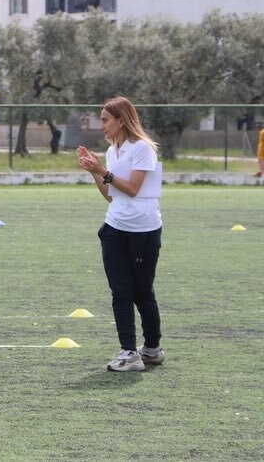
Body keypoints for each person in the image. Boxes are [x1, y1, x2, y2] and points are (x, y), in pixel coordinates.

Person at [77, 96, 165, 372]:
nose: (101, 125)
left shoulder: (143, 149)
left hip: (144, 231)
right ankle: (129, 351)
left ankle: (152, 349)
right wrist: (95, 172)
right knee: (121, 291)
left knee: (142, 292)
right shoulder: (112, 151)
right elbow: (112, 197)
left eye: (105, 120)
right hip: (115, 229)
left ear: (121, 120)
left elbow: (134, 189)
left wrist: (102, 170)